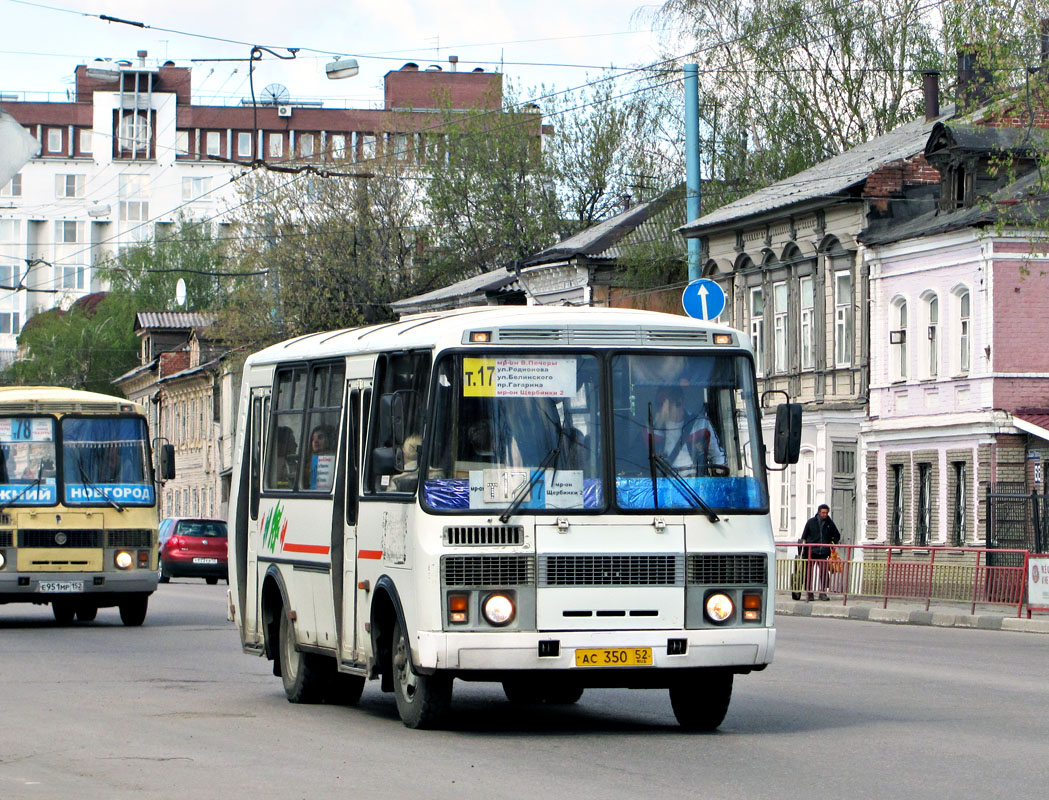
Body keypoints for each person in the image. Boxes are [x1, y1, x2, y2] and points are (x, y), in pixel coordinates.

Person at [651, 386, 727, 477]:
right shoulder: (652, 428)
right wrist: (659, 424)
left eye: (665, 403)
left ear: (680, 402)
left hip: (695, 486)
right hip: (665, 485)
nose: (661, 409)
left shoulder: (701, 423)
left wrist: (719, 476)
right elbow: (638, 459)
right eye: (659, 404)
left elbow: (718, 456)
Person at [800, 503, 841, 601]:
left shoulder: (829, 523)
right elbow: (804, 536)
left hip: (823, 553)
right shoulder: (811, 522)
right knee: (808, 573)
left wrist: (832, 543)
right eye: (823, 513)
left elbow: (837, 535)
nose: (825, 515)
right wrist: (803, 549)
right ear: (819, 512)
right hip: (811, 552)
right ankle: (809, 593)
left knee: (824, 573)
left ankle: (823, 593)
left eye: (826, 513)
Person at [306, 424, 335, 490]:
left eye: (320, 438)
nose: (316, 441)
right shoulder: (305, 463)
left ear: (328, 440)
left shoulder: (336, 460)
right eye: (313, 439)